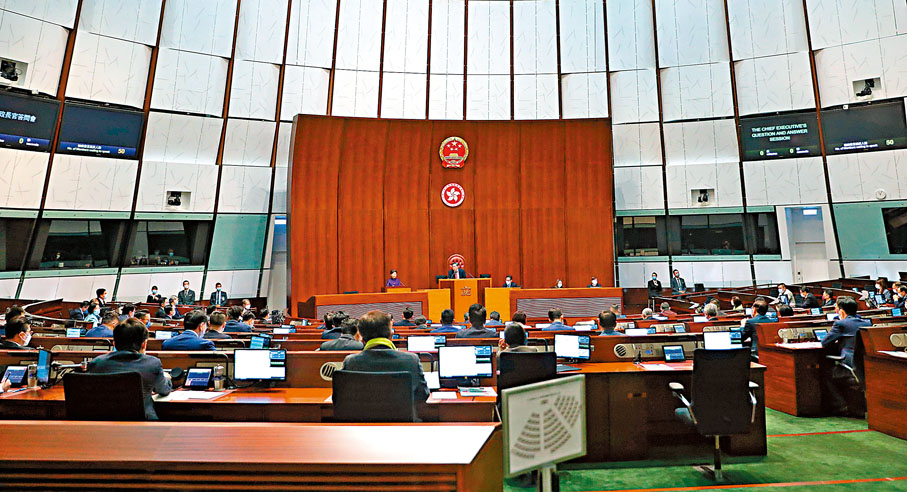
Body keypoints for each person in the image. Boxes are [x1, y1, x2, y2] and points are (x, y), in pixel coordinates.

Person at [87, 318, 172, 419]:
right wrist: (167, 378)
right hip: (144, 425)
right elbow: (163, 390)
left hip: (104, 423)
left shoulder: (96, 363)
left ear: (114, 343)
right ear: (144, 344)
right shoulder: (152, 363)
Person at [341, 310, 429, 405]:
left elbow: (341, 398)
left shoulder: (350, 362)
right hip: (401, 419)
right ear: (391, 335)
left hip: (363, 419)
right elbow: (422, 395)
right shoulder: (411, 360)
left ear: (361, 338)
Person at [822, 296, 871, 416]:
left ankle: (841, 406)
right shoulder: (867, 322)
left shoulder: (840, 323)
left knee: (825, 373)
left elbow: (825, 343)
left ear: (841, 311)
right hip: (864, 365)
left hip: (848, 365)